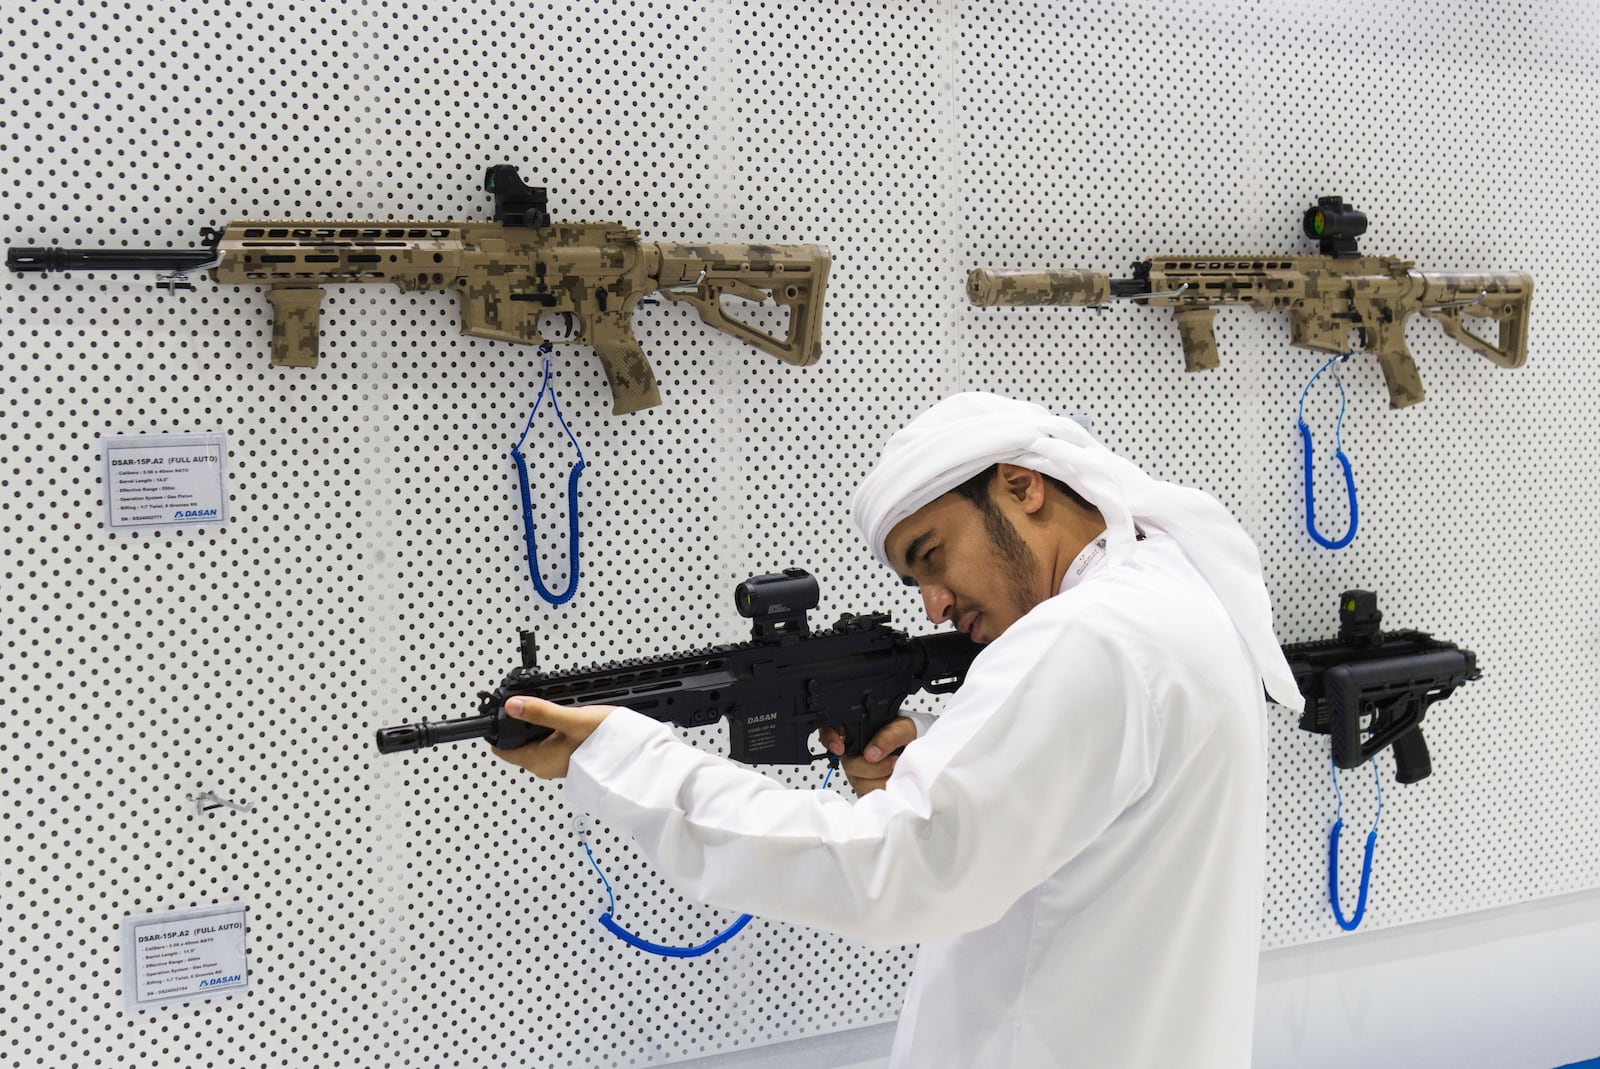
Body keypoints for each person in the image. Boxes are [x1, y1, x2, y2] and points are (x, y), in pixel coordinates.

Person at [494, 392, 1304, 1068]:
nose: (935, 605)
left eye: (931, 554)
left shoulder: (1087, 637)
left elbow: (888, 869)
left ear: (1023, 486)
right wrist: (938, 782)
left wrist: (623, 758)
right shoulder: (1174, 597)